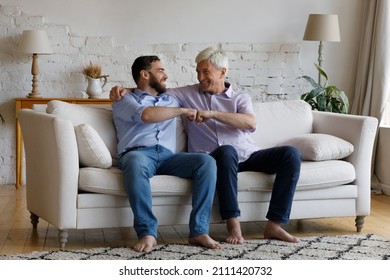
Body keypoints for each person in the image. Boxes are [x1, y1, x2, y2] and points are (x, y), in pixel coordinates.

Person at [111, 47, 302, 244]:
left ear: (222, 72)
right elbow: (148, 102)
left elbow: (250, 123)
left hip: (240, 154)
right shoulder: (172, 96)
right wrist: (121, 89)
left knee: (289, 154)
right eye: (198, 72)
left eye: (205, 72)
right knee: (223, 153)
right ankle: (153, 233)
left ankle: (270, 225)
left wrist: (212, 114)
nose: (200, 77)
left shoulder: (238, 98)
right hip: (194, 156)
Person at [112, 55, 222, 253]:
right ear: (145, 74)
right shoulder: (125, 100)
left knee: (206, 162)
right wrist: (180, 110)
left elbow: (202, 88)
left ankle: (199, 231)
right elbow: (146, 115)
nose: (166, 75)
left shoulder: (171, 98)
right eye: (161, 70)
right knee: (135, 162)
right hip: (138, 154)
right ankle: (147, 233)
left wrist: (177, 106)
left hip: (169, 157)